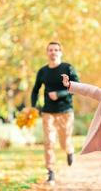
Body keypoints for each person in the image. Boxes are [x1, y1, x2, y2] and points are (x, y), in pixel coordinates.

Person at [31, 41, 79, 184]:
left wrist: (60, 94)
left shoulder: (67, 68)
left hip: (65, 111)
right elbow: (35, 90)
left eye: (56, 50)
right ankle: (51, 172)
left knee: (64, 142)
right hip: (48, 112)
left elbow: (76, 87)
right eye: (50, 50)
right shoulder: (43, 71)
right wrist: (34, 106)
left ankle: (69, 151)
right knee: (49, 142)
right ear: (47, 53)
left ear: (60, 52)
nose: (53, 52)